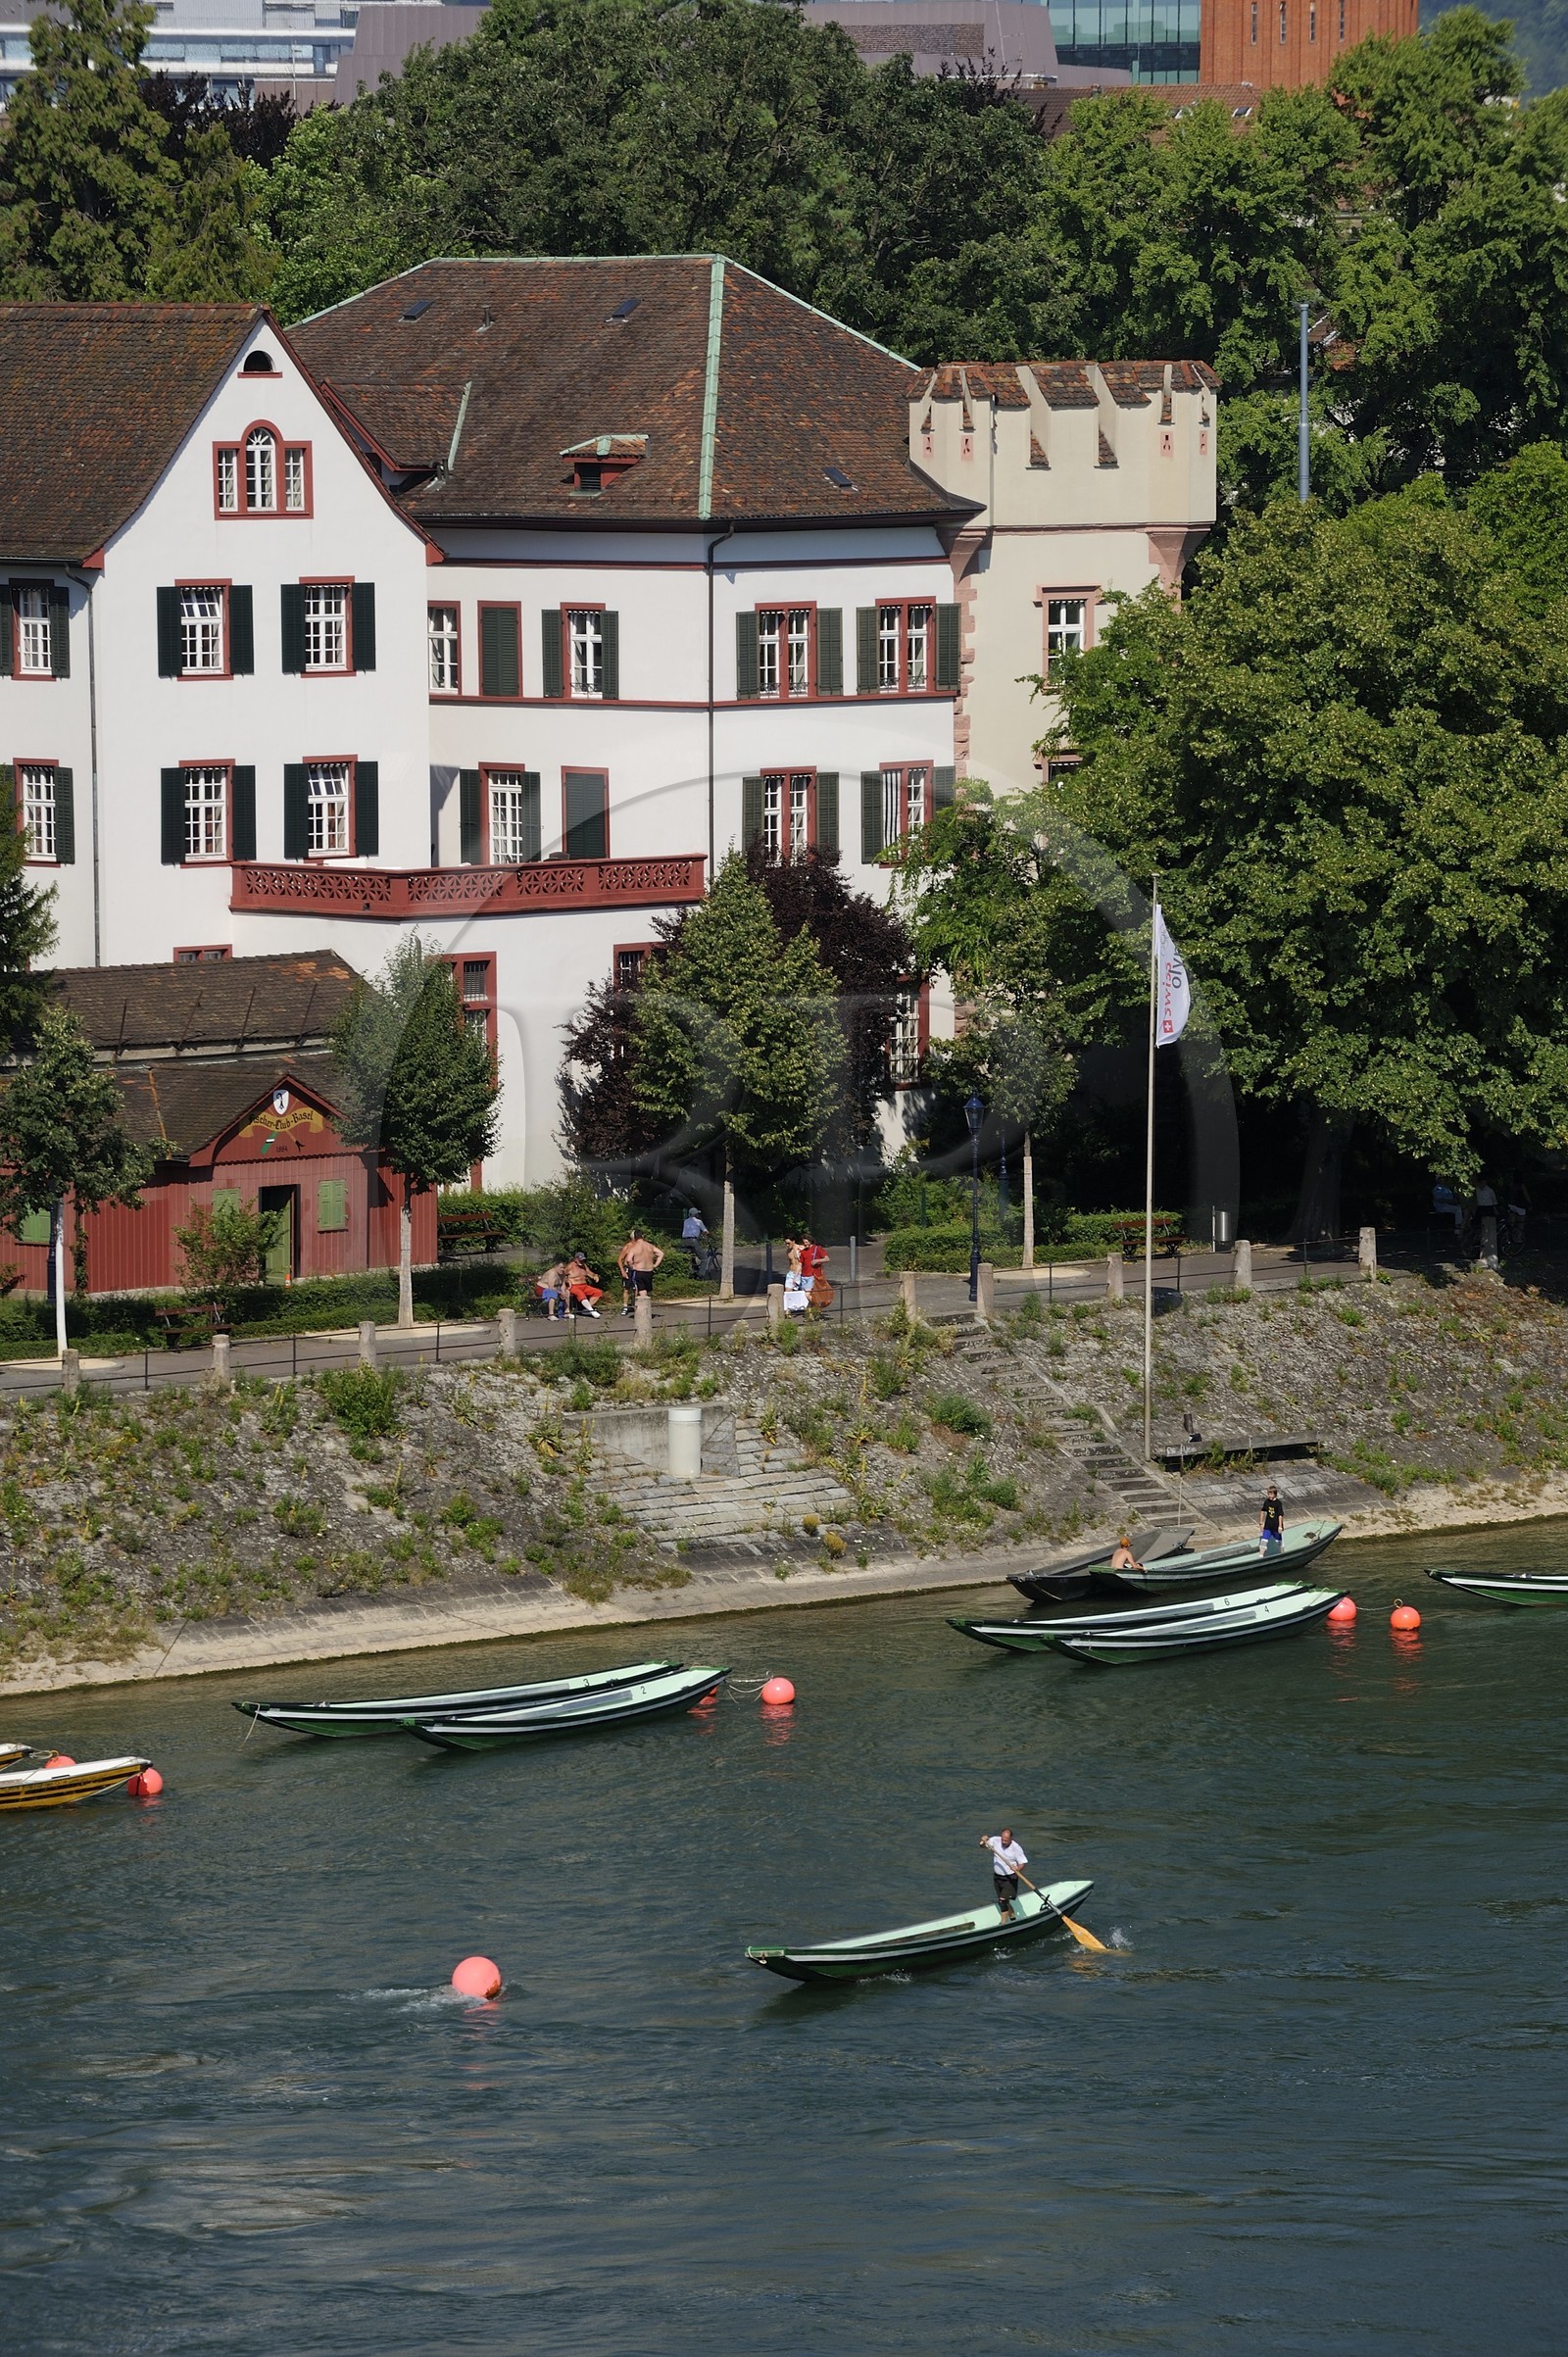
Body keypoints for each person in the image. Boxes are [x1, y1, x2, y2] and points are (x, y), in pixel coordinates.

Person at [981, 1827, 1029, 1922]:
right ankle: (1013, 1919)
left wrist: (1017, 1869)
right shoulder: (995, 1840)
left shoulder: (1016, 1848)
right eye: (1002, 1839)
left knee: (1002, 1901)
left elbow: (1022, 1863)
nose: (1003, 1842)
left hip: (1010, 1878)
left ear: (1011, 1839)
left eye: (1006, 1841)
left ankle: (1003, 1923)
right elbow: (983, 1846)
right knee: (1005, 1901)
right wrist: (983, 1841)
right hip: (998, 1877)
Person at [622, 1228, 663, 1312]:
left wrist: (632, 1266)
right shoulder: (650, 1246)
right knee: (646, 1290)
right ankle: (644, 1309)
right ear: (643, 1236)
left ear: (634, 1237)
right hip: (649, 1271)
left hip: (639, 1270)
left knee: (641, 1291)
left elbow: (629, 1259)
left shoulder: (634, 1247)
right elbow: (661, 1254)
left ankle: (643, 1311)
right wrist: (655, 1264)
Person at [564, 1251, 603, 1317]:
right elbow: (562, 1275)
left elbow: (589, 1273)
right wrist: (567, 1281)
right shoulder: (570, 1266)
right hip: (573, 1286)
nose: (581, 1262)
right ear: (576, 1259)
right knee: (580, 1293)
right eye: (580, 1260)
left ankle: (587, 1308)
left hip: (584, 1285)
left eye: (583, 1260)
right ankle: (592, 1311)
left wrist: (594, 1276)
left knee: (598, 1292)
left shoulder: (584, 1266)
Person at [1258, 1483, 1285, 1554]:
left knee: (1279, 1542)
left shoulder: (1278, 1503)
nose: (1269, 1496)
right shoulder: (1267, 1502)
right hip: (1268, 1526)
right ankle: (1260, 1556)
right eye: (1268, 1494)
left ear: (1275, 1494)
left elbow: (1280, 1515)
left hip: (1276, 1525)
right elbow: (1263, 1511)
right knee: (1264, 1541)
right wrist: (1261, 1523)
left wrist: (1280, 1526)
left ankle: (1282, 1554)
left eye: (1271, 1494)